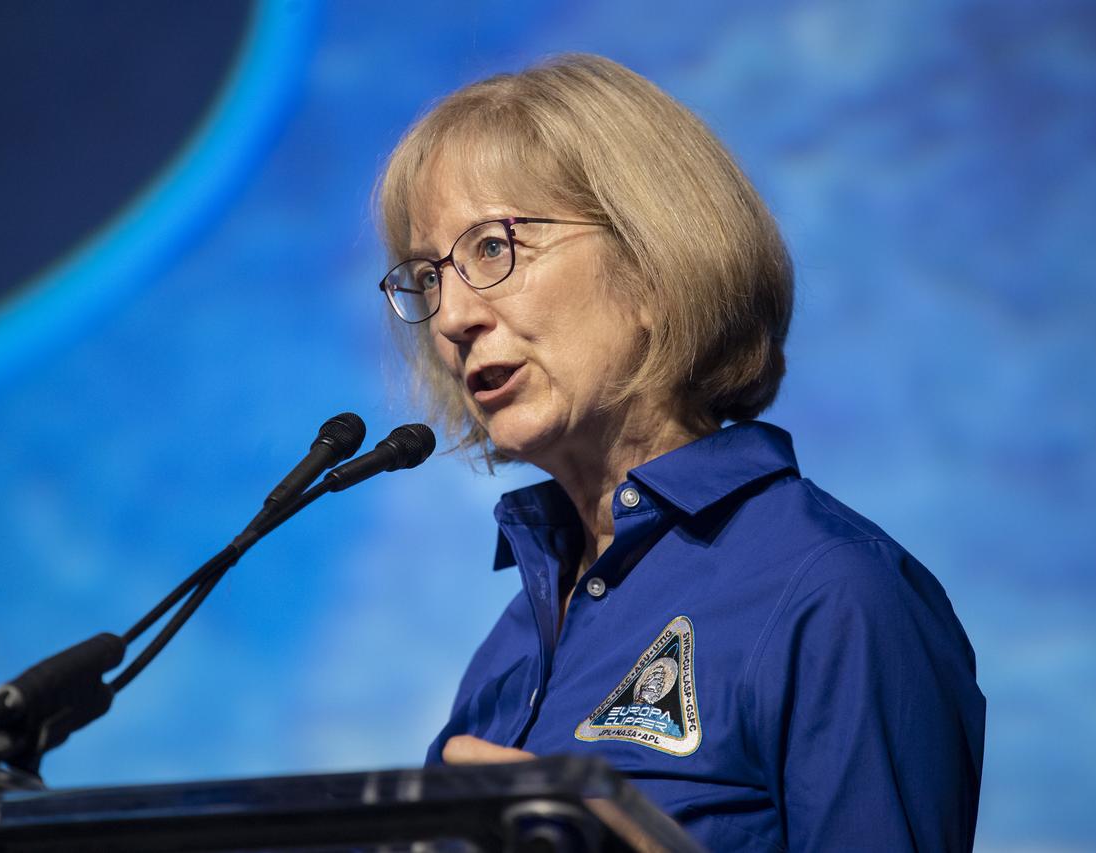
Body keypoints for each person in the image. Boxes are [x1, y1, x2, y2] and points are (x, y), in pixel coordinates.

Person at [374, 54, 985, 851]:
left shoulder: (833, 594)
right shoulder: (514, 639)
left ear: (653, 265)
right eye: (428, 274)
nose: (452, 315)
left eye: (492, 248)